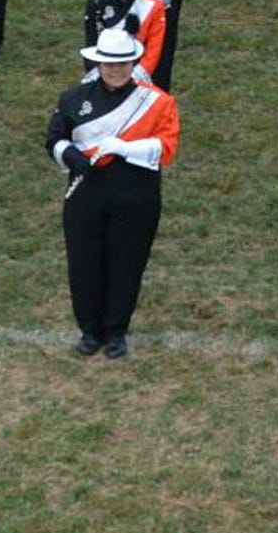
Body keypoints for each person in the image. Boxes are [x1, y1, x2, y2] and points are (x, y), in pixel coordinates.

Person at [48, 29, 181, 358]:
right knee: (84, 262)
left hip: (136, 196)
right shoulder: (73, 98)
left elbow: (166, 148)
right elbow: (54, 139)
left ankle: (116, 330)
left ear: (133, 62)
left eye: (123, 62)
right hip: (86, 194)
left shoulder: (157, 102)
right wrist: (71, 156)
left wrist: (123, 148)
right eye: (109, 63)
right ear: (98, 62)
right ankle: (89, 331)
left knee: (127, 263)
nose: (116, 69)